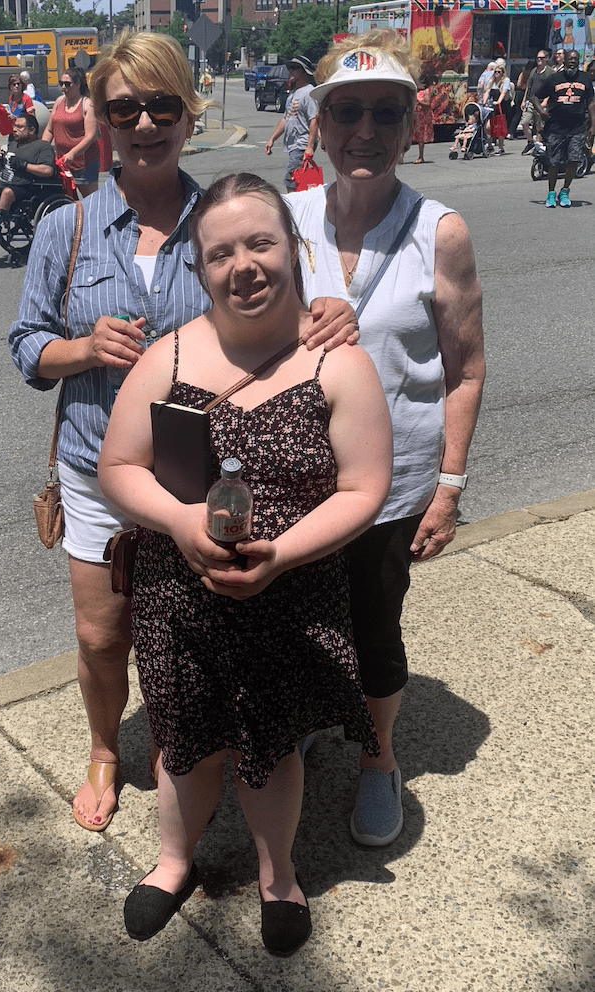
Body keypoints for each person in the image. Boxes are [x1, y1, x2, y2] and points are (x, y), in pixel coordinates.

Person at [7, 30, 356, 837]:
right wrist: (83, 349)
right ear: (100, 117)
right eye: (124, 106)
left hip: (206, 479)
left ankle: (186, 744)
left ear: (188, 112)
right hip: (98, 468)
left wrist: (334, 311)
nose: (145, 122)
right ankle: (104, 748)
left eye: (162, 103)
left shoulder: (224, 218)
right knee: (102, 634)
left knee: (199, 630)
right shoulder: (68, 229)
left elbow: (285, 300)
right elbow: (27, 344)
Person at [97, 173, 393, 955]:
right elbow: (118, 467)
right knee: (184, 740)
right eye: (221, 252)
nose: (245, 266)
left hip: (290, 596)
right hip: (178, 594)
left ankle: (278, 877)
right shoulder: (171, 354)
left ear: (293, 251)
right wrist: (178, 520)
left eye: (261, 243)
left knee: (271, 747)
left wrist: (282, 554)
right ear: (199, 270)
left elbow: (365, 488)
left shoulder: (339, 365)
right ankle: (171, 862)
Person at [285, 30, 485, 848]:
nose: (364, 130)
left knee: (373, 624)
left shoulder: (440, 231)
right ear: (318, 125)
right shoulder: (286, 218)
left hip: (392, 484)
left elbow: (465, 370)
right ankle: (303, 717)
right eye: (346, 112)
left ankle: (377, 757)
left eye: (385, 114)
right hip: (293, 478)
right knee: (293, 616)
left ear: (413, 126)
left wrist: (449, 487)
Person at [0, 113, 55, 236]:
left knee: (7, 192)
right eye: (14, 126)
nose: (14, 129)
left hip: (26, 185)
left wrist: (24, 165)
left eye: (19, 127)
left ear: (31, 130)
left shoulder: (43, 147)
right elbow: (2, 169)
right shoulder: (13, 144)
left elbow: (47, 170)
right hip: (6, 182)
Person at [533, 49, 595, 208]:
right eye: (570, 59)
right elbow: (534, 97)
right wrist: (541, 112)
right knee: (554, 162)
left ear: (578, 61)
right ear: (565, 61)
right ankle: (551, 193)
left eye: (575, 59)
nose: (572, 61)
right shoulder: (554, 79)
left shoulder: (585, 79)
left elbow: (590, 103)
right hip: (556, 128)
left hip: (577, 128)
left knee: (574, 160)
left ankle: (565, 190)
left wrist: (593, 125)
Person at [43, 66, 99, 197]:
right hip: (62, 162)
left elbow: (91, 136)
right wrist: (42, 149)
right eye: (61, 84)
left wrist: (72, 154)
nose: (63, 87)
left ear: (78, 84)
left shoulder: (87, 104)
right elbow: (49, 129)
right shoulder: (59, 101)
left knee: (91, 199)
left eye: (67, 84)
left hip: (84, 163)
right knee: (68, 198)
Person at [264, 55, 319, 191]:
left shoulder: (309, 93)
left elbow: (314, 119)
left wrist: (309, 147)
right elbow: (286, 118)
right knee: (299, 182)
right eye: (290, 68)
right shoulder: (293, 94)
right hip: (293, 145)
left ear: (304, 71)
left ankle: (294, 209)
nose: (291, 71)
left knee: (292, 181)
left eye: (295, 68)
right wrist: (272, 139)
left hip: (301, 144)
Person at [520, 51, 553, 154]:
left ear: (546, 59)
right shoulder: (534, 71)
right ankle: (530, 142)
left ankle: (538, 145)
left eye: (541, 58)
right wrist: (524, 100)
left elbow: (551, 88)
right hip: (530, 100)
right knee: (524, 122)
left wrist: (546, 101)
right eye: (537, 58)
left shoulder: (550, 72)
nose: (539, 60)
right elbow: (528, 87)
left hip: (541, 101)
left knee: (539, 125)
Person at [483, 59, 510, 154]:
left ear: (503, 73)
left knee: (499, 127)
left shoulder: (505, 81)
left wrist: (498, 102)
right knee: (488, 127)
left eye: (499, 72)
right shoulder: (491, 81)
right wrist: (484, 102)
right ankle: (489, 146)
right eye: (495, 72)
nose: (497, 74)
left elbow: (503, 93)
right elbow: (486, 91)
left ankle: (501, 148)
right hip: (490, 106)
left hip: (501, 106)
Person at [411, 74, 433, 163]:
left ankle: (421, 157)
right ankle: (401, 156)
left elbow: (428, 104)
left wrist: (419, 103)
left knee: (420, 137)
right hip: (414, 115)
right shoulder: (416, 91)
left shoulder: (426, 91)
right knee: (408, 134)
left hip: (422, 117)